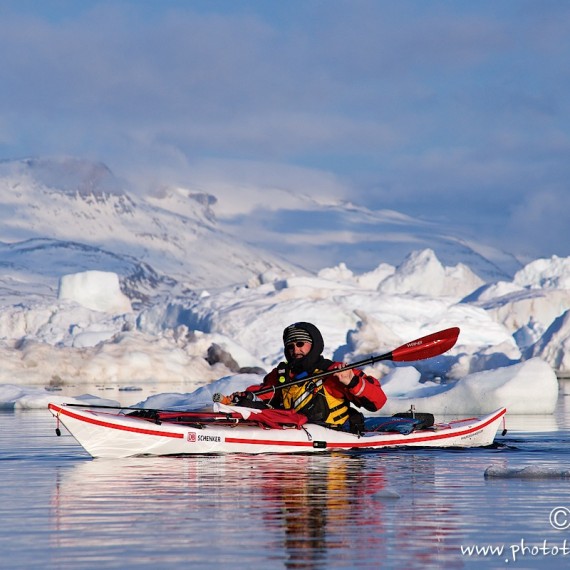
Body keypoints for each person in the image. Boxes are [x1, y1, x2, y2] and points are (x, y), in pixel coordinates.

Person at [230, 321, 387, 433]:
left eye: (300, 344)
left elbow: (378, 402)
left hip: (335, 442)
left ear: (314, 345)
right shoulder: (282, 375)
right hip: (294, 432)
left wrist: (352, 381)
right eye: (290, 346)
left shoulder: (335, 372)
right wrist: (245, 397)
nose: (295, 350)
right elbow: (265, 393)